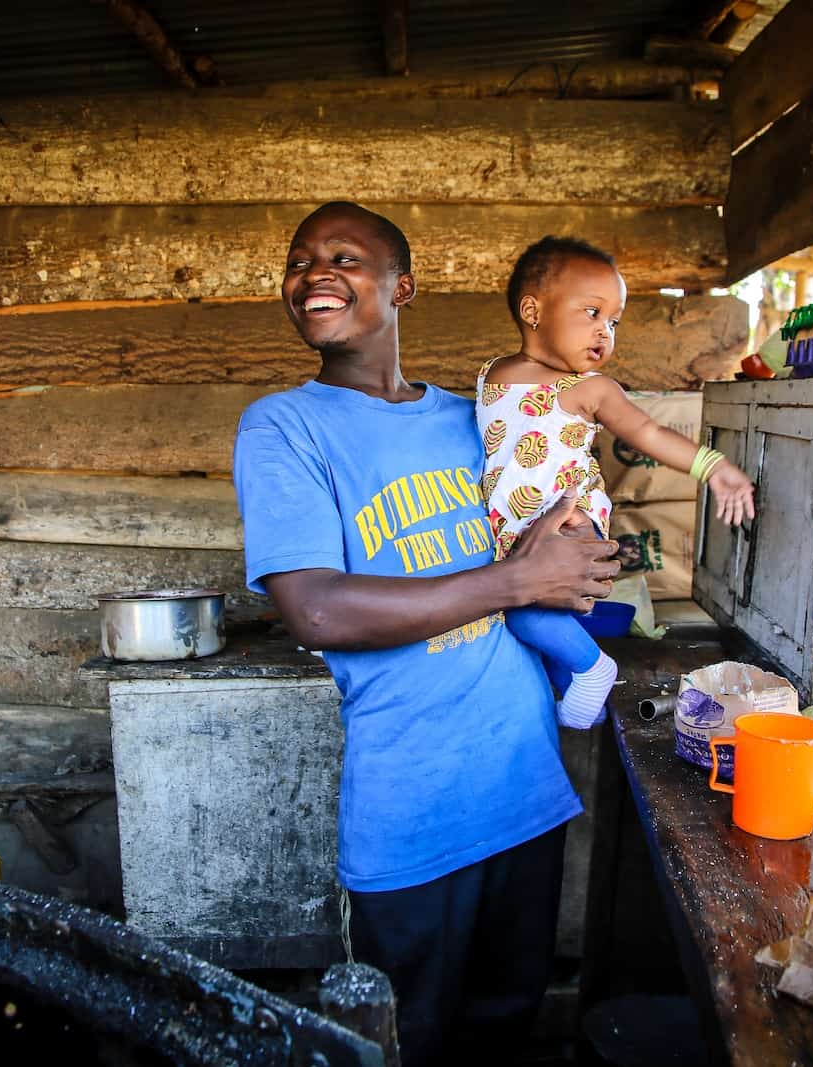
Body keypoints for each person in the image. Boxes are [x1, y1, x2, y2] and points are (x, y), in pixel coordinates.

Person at [232, 202, 620, 1066]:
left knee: (505, 1029)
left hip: (522, 785)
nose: (314, 272)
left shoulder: (471, 419)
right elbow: (317, 609)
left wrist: (575, 549)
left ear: (401, 287)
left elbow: (541, 535)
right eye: (300, 261)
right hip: (413, 812)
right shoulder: (284, 427)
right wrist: (517, 579)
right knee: (412, 1041)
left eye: (344, 256)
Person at [478, 236, 756, 728]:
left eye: (614, 321)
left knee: (520, 605)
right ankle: (567, 684)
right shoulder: (493, 373)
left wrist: (713, 467)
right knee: (511, 607)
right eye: (591, 313)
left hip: (568, 517)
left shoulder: (591, 388)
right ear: (532, 310)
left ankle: (593, 669)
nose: (605, 332)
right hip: (513, 521)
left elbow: (647, 432)